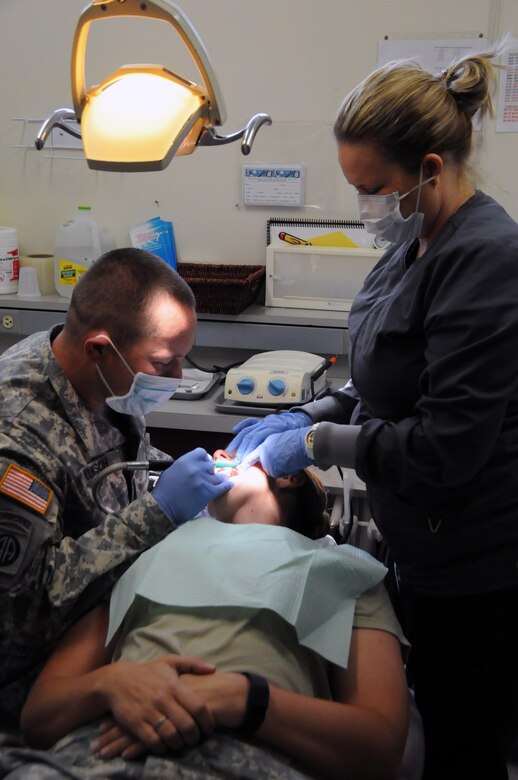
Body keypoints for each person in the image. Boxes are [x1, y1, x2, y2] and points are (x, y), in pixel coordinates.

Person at [227, 45, 518, 780]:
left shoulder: (488, 257)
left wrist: (323, 441)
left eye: (374, 187)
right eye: (355, 186)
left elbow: (446, 445)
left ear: (429, 167)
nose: (365, 207)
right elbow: (385, 378)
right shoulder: (411, 244)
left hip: (477, 565)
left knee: (462, 746)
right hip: (417, 544)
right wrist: (314, 410)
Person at [0, 451, 411, 780]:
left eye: (238, 451)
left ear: (289, 475)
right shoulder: (143, 553)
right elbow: (40, 717)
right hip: (96, 757)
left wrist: (244, 698)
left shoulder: (341, 569)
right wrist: (110, 683)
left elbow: (381, 750)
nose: (217, 453)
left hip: (246, 761)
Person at [0, 248, 232, 723]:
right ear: (100, 348)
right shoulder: (17, 439)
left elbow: (106, 469)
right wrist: (158, 511)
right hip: (32, 682)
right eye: (166, 362)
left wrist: (167, 476)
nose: (179, 377)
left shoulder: (105, 379)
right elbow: (22, 613)